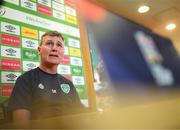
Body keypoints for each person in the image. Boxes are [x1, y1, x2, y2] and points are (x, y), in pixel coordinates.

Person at [8, 31, 84, 127]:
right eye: (49, 43)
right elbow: (21, 126)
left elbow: (81, 119)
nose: (54, 48)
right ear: (39, 50)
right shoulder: (25, 80)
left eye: (59, 45)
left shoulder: (68, 84)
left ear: (63, 53)